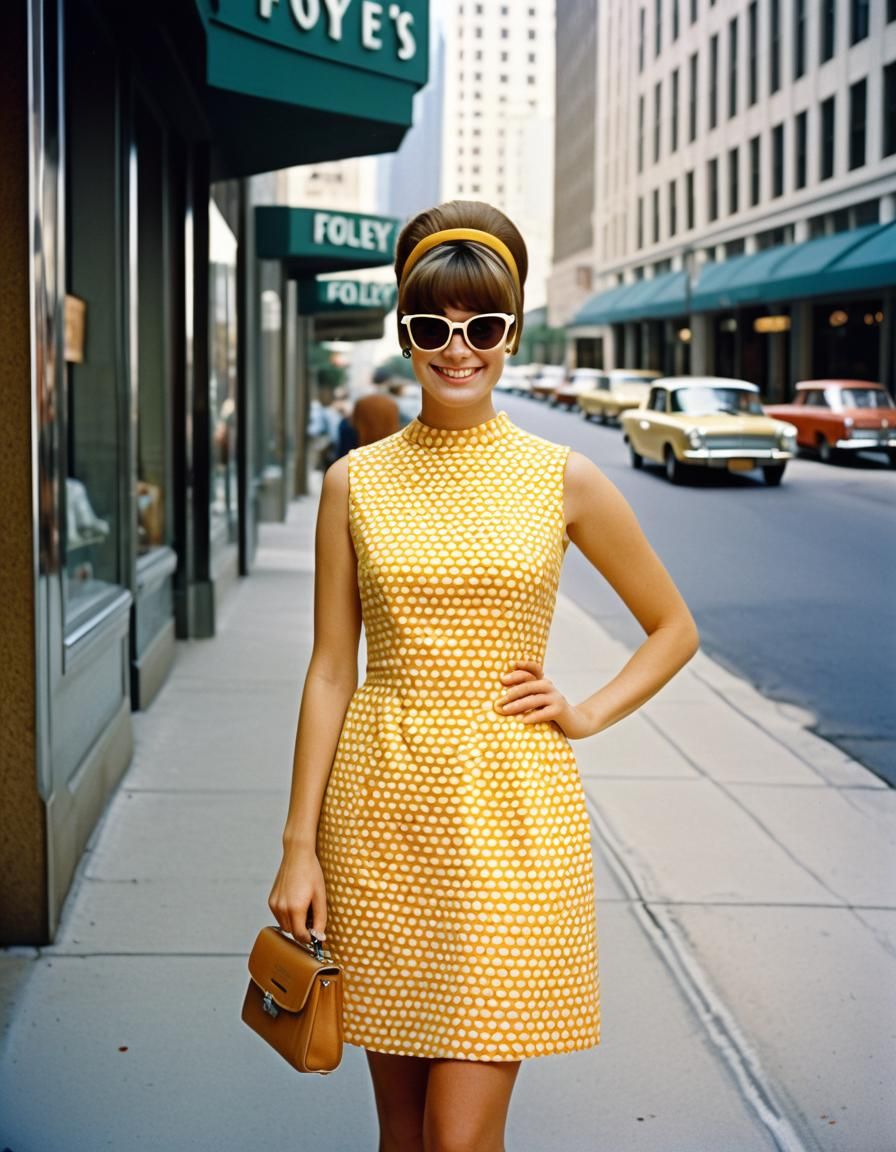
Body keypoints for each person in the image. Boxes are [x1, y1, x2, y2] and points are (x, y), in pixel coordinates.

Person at [268, 200, 700, 1152]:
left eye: (482, 327)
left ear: (508, 335)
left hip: (510, 816)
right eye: (433, 327)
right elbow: (332, 671)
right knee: (402, 1134)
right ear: (406, 332)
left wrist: (585, 713)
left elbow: (673, 629)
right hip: (379, 814)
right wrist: (298, 846)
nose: (456, 349)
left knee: (461, 1139)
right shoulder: (355, 482)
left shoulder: (565, 478)